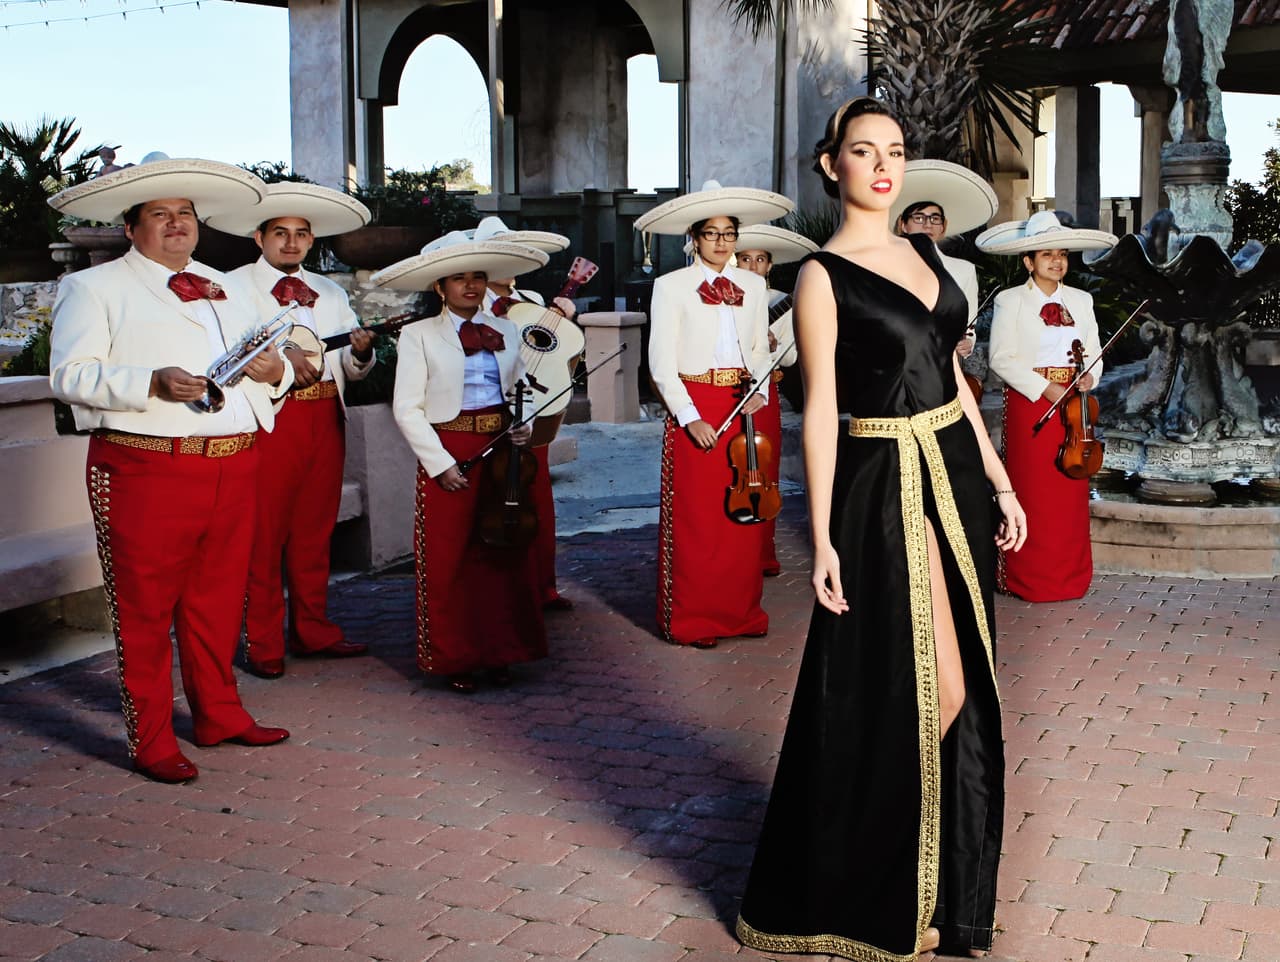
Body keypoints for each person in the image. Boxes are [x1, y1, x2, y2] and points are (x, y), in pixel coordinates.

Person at [736, 98, 1026, 960]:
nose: (883, 165)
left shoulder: (928, 253)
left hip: (957, 476)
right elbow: (819, 409)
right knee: (921, 687)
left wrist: (1003, 480)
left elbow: (952, 383)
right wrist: (820, 534)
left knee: (965, 673)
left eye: (895, 150)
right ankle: (881, 884)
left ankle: (941, 890)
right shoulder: (822, 277)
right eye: (863, 151)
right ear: (834, 165)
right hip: (882, 485)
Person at [47, 156, 293, 784]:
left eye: (184, 213)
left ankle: (219, 714)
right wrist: (148, 382)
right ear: (132, 227)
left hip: (234, 463)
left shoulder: (226, 284)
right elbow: (70, 377)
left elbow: (264, 364)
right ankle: (151, 738)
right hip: (145, 466)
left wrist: (279, 373)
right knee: (145, 611)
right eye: (160, 214)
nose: (177, 224)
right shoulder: (94, 288)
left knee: (216, 603)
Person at [208, 184, 377, 678]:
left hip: (325, 416)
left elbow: (346, 362)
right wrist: (283, 359)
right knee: (264, 533)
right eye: (280, 233)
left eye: (301, 234)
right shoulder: (231, 287)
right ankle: (262, 642)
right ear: (258, 235)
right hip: (270, 418)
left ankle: (313, 630)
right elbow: (228, 354)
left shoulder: (330, 291)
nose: (291, 243)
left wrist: (361, 353)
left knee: (314, 530)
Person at [374, 232, 551, 693]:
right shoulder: (418, 335)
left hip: (500, 450)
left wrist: (522, 423)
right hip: (450, 447)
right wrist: (439, 463)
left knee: (502, 553)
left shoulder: (507, 330)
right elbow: (406, 407)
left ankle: (501, 652)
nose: (470, 286)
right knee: (449, 555)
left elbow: (521, 387)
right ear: (440, 287)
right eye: (458, 279)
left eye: (477, 278)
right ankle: (455, 657)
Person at [634, 179, 794, 649]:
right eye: (712, 234)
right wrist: (689, 417)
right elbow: (660, 364)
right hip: (698, 403)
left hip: (741, 403)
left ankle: (740, 613)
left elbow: (757, 349)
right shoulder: (671, 286)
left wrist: (761, 390)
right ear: (694, 238)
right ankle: (695, 618)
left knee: (741, 519)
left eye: (729, 234)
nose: (721, 242)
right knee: (699, 517)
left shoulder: (753, 283)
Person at [979, 210, 1116, 602]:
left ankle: (1069, 578)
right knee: (1032, 489)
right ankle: (1025, 578)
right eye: (1046, 255)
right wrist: (1046, 389)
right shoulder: (1010, 300)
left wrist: (1090, 376)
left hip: (1076, 405)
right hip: (1030, 403)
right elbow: (1001, 359)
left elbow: (1092, 352)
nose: (1057, 261)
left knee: (1069, 493)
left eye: (1062, 254)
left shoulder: (1081, 299)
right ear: (1028, 261)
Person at [473, 215, 581, 611]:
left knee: (536, 498)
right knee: (495, 498)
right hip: (488, 411)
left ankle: (542, 586)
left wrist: (564, 321)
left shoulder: (535, 303)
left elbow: (557, 356)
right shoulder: (471, 301)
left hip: (531, 408)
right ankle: (502, 591)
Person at [731, 224, 819, 576]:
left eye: (760, 260)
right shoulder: (722, 298)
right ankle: (732, 548)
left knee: (762, 472)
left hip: (763, 395)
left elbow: (792, 357)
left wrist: (771, 345)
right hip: (725, 393)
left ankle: (762, 552)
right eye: (746, 259)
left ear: (770, 265)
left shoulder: (781, 301)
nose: (753, 266)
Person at [891, 159, 999, 360]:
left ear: (944, 227)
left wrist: (968, 342)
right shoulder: (887, 265)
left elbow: (969, 323)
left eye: (935, 218)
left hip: (945, 363)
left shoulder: (963, 269)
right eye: (919, 217)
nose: (927, 224)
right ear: (903, 225)